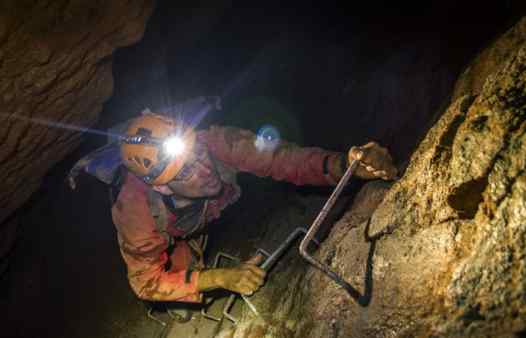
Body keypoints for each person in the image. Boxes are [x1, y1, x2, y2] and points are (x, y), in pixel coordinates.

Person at [69, 108, 397, 308]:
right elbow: (145, 281)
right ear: (161, 185)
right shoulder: (136, 211)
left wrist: (344, 164)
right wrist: (222, 277)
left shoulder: (214, 142)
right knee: (183, 296)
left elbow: (282, 159)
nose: (204, 170)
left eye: (196, 155)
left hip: (210, 207)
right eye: (185, 172)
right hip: (176, 230)